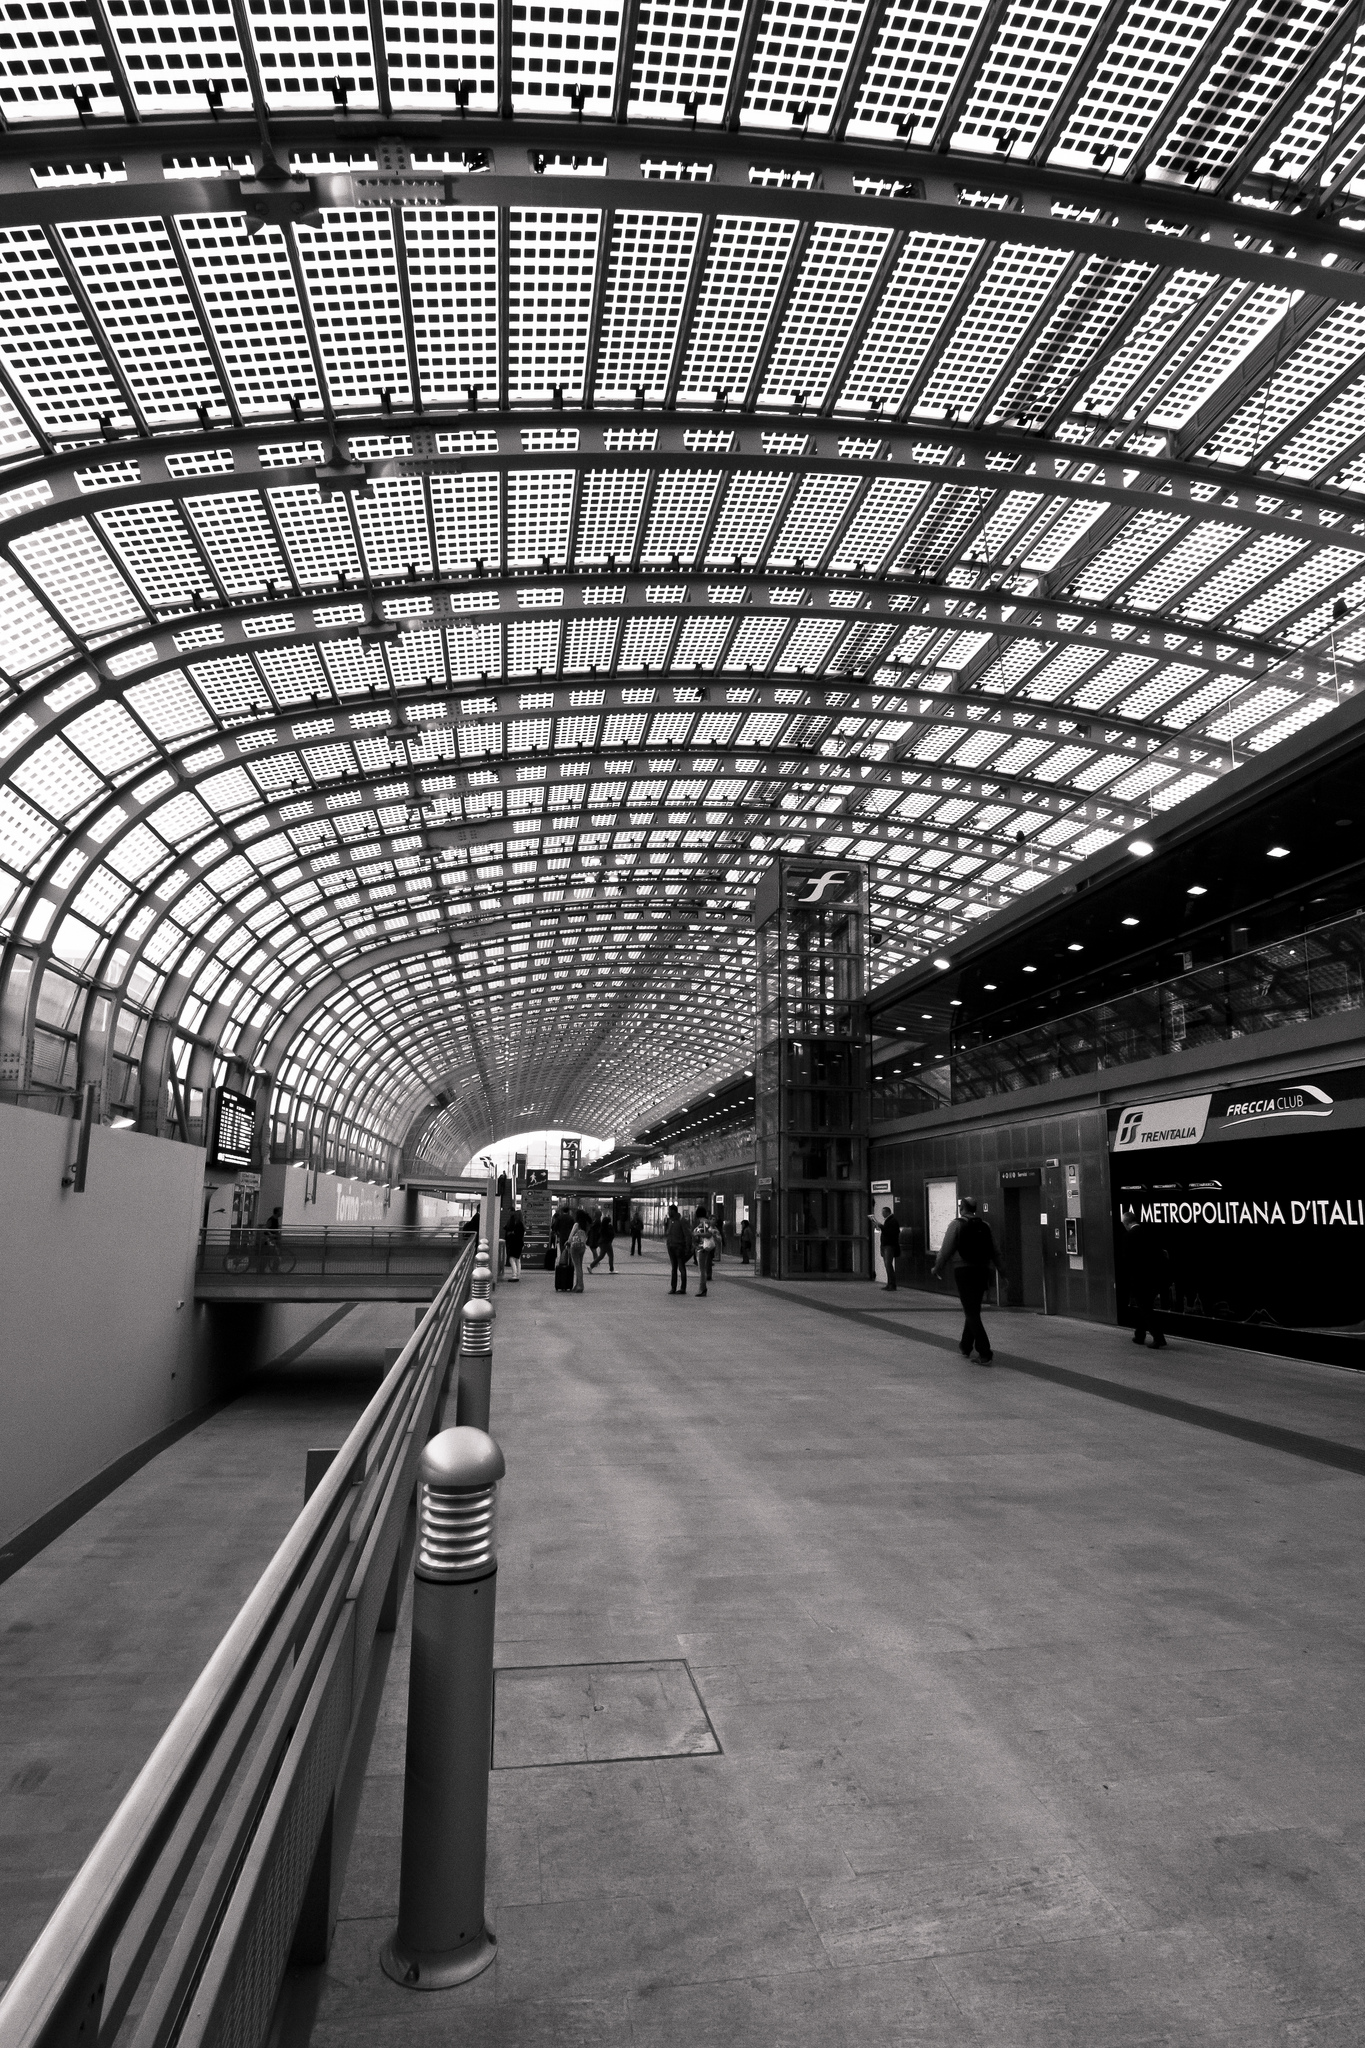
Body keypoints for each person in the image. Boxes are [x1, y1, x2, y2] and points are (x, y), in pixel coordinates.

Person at [933, 1196, 997, 1364]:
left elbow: (946, 1250)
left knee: (971, 1311)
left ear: (962, 1208)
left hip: (963, 1270)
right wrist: (1002, 1272)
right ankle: (966, 1345)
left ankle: (985, 1352)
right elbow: (995, 1250)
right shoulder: (985, 1225)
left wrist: (937, 1267)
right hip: (982, 1270)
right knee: (973, 1308)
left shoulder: (956, 1224)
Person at [1120, 1204, 1168, 1348]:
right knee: (1143, 1307)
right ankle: (1139, 1335)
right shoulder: (1149, 1233)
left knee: (1145, 1309)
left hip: (1140, 1280)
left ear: (1126, 1223)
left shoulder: (1129, 1237)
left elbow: (1127, 1260)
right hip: (1154, 1278)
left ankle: (1158, 1338)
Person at [664, 1203, 692, 1294]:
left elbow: (687, 1234)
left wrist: (687, 1247)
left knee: (681, 1267)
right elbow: (669, 1233)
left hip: (679, 1247)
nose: (668, 1212)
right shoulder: (670, 1221)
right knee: (673, 1268)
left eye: (669, 1211)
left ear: (673, 1211)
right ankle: (673, 1287)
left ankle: (683, 1288)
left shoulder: (681, 1220)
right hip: (671, 1246)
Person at [693, 1202, 718, 1297]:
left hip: (702, 1248)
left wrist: (698, 1234)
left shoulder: (705, 1223)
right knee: (702, 1268)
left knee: (702, 1269)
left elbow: (709, 1234)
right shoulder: (705, 1222)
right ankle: (702, 1288)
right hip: (701, 1247)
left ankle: (702, 1288)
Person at [879, 1205, 901, 1291]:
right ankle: (889, 1283)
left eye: (883, 1212)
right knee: (887, 1265)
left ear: (887, 1212)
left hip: (889, 1246)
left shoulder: (892, 1221)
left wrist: (881, 1227)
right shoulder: (888, 1221)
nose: (882, 1214)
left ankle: (892, 1284)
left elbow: (890, 1232)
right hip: (886, 1245)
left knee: (888, 1265)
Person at [590, 1208, 616, 1272]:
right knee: (611, 1256)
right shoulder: (609, 1227)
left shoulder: (602, 1227)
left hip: (601, 1242)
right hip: (607, 1243)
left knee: (601, 1256)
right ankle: (611, 1269)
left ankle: (591, 1266)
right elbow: (612, 1234)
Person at [569, 1213, 589, 1293]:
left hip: (575, 1247)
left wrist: (568, 1242)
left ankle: (579, 1286)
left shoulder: (577, 1224)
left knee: (577, 1267)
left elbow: (571, 1234)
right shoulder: (586, 1225)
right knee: (579, 1266)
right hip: (582, 1247)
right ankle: (579, 1285)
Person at [504, 1207, 524, 1282]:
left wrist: (511, 1233)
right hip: (520, 1244)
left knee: (511, 1259)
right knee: (517, 1259)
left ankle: (514, 1275)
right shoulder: (521, 1224)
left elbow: (516, 1234)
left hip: (515, 1244)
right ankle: (517, 1274)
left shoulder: (518, 1225)